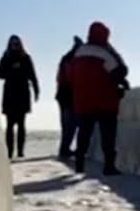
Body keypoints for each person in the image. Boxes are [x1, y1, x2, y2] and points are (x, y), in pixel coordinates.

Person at [66, 21, 130, 175]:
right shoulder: (104, 53)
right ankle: (109, 166)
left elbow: (69, 75)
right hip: (105, 100)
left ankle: (79, 164)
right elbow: (121, 71)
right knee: (108, 135)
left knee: (84, 133)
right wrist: (112, 50)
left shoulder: (78, 53)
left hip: (83, 101)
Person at [0, 35, 39, 159]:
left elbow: (32, 75)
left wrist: (37, 90)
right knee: (10, 125)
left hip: (22, 94)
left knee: (21, 124)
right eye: (12, 44)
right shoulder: (5, 58)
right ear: (9, 45)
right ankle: (9, 152)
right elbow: (0, 74)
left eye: (16, 44)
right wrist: (11, 69)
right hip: (10, 94)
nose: (14, 46)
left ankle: (20, 151)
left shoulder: (26, 58)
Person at [54, 36, 83, 160]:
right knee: (70, 123)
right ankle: (65, 149)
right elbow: (71, 79)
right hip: (68, 96)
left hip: (63, 95)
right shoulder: (71, 61)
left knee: (68, 124)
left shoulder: (66, 59)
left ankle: (64, 148)